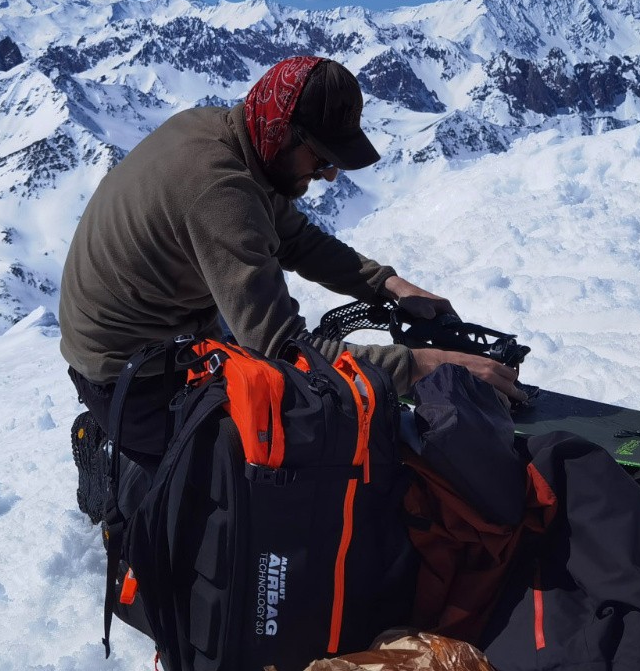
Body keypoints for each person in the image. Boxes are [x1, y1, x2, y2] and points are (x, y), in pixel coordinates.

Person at [59, 55, 521, 469]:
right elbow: (285, 352)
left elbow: (294, 238)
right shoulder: (221, 193)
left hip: (155, 344)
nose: (330, 173)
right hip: (131, 383)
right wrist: (422, 366)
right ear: (281, 132)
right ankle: (123, 464)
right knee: (284, 461)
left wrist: (389, 285)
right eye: (321, 156)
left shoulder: (224, 133)